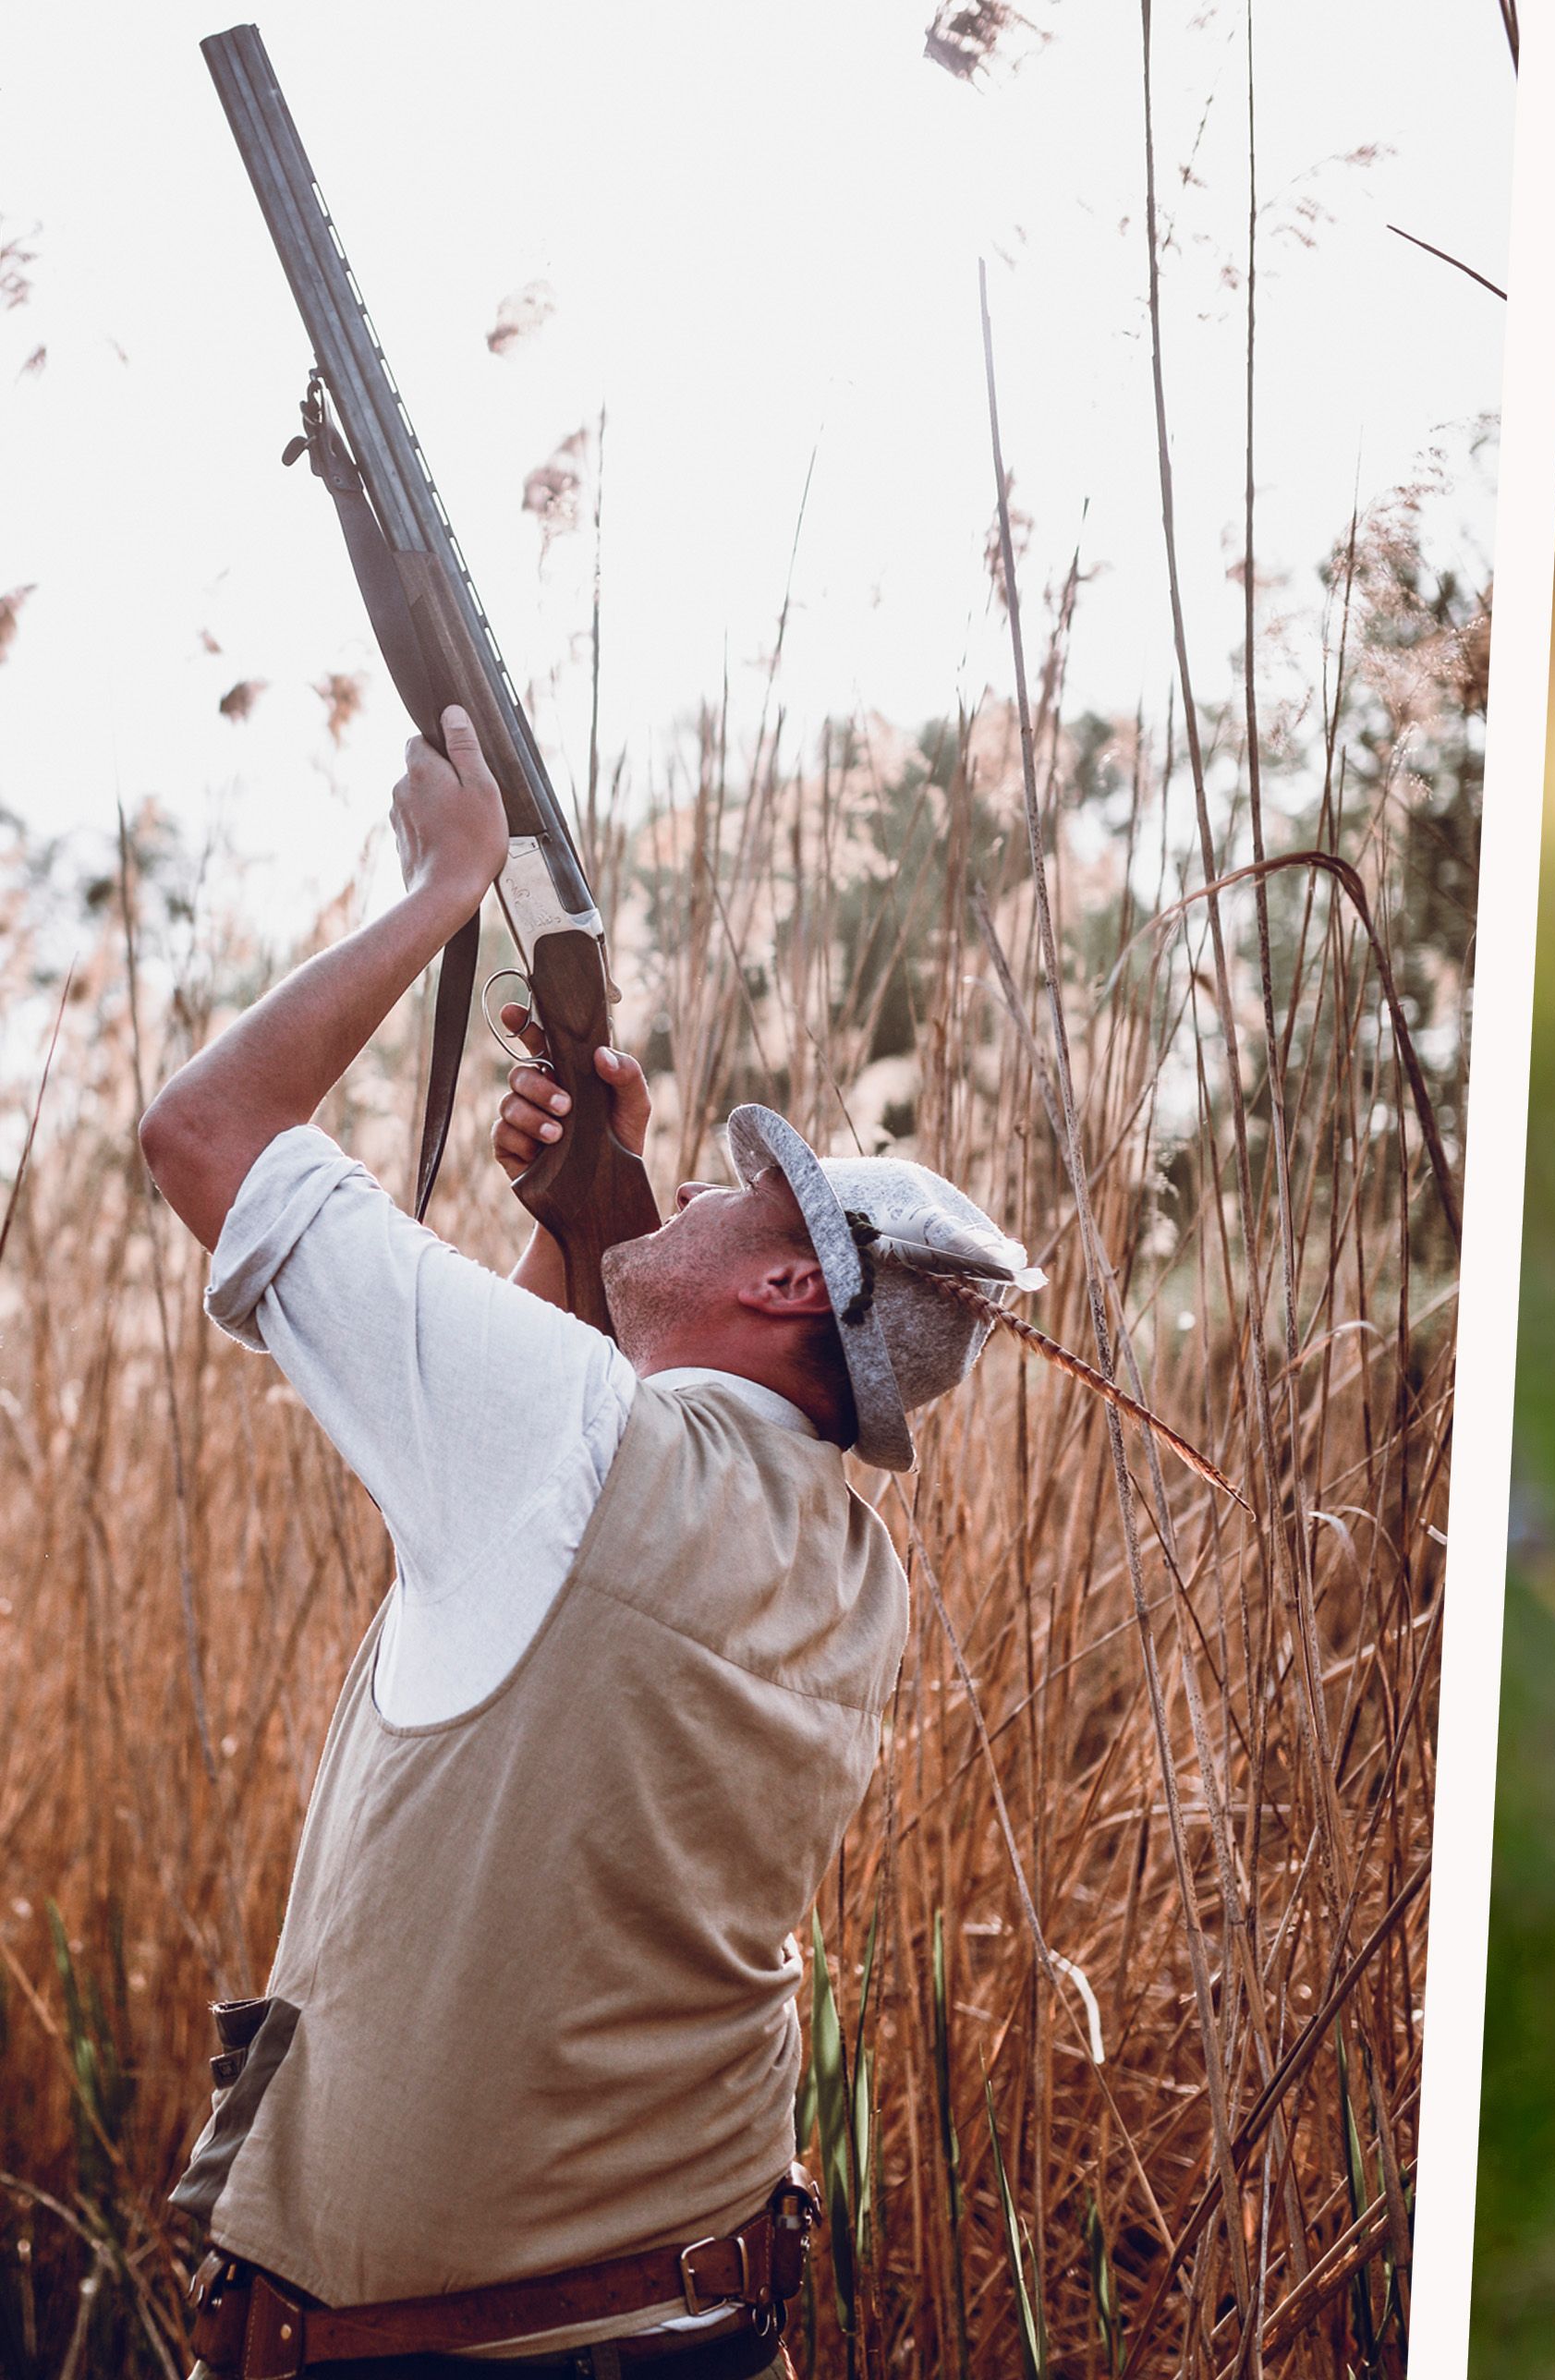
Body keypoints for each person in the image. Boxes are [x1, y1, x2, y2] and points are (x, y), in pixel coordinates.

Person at [137, 710, 1041, 2379]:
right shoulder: (857, 1579)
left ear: (782, 1289)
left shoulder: (584, 1447)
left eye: (722, 1196)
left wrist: (442, 887)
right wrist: (584, 1233)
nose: (680, 1190)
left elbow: (205, 1133)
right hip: (702, 2318)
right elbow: (564, 1573)